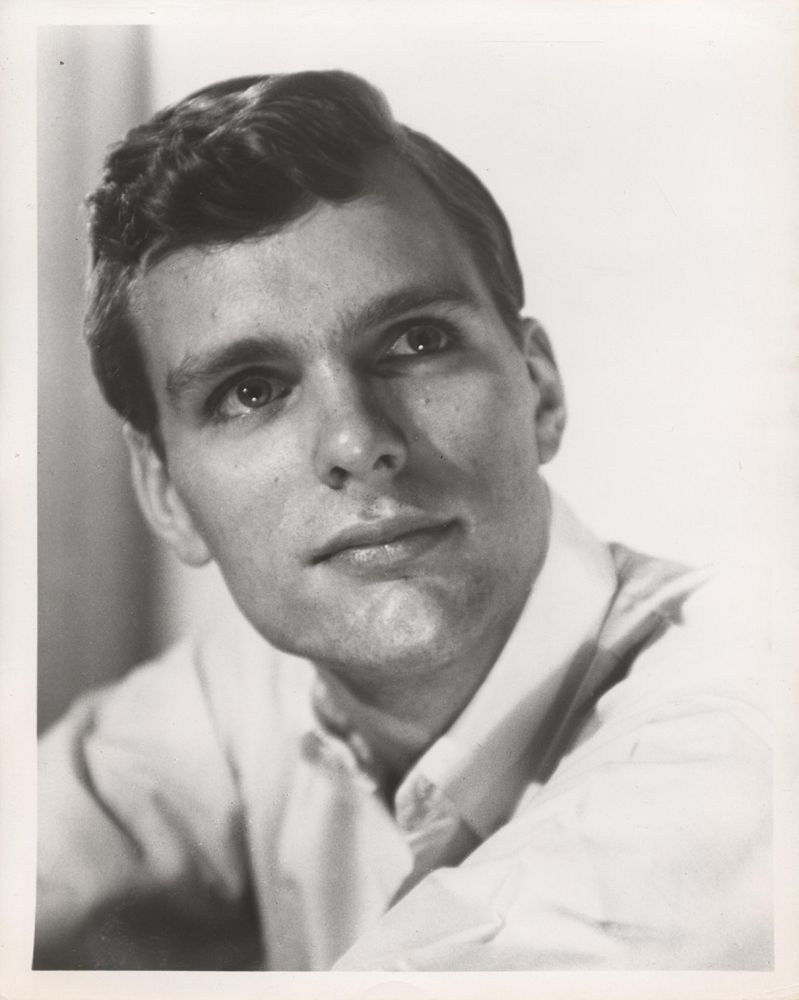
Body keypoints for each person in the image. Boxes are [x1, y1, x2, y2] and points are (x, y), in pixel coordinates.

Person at [34, 70, 771, 971]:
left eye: (415, 342)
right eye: (251, 391)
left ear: (538, 387)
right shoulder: (249, 691)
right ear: (167, 496)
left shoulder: (742, 728)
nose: (355, 441)